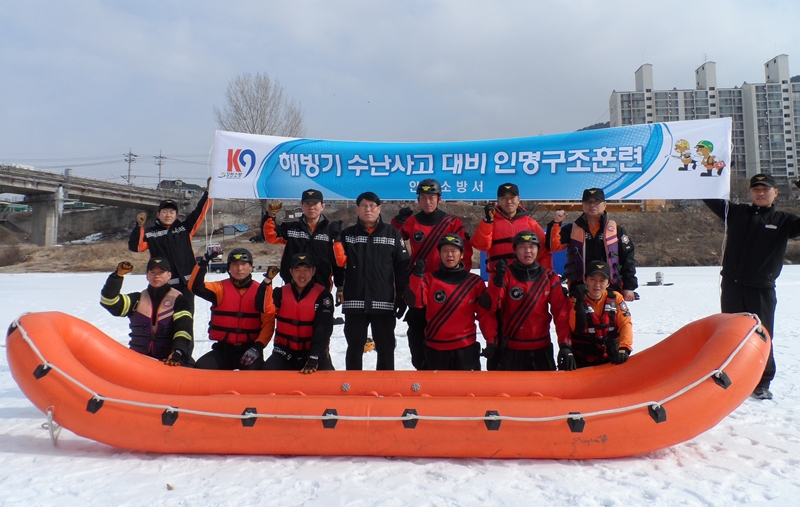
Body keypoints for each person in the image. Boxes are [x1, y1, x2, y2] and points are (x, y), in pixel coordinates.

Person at [704, 173, 800, 400]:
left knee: (761, 335)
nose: (761, 193)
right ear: (750, 193)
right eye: (756, 189)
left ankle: (762, 382)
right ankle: (730, 377)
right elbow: (708, 196)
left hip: (761, 289)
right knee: (730, 334)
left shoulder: (784, 220)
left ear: (775, 193)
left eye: (766, 189)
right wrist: (716, 171)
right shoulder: (736, 213)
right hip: (732, 286)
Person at [391, 178, 474, 369]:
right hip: (419, 286)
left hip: (446, 287)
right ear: (418, 200)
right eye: (423, 197)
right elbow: (393, 240)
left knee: (443, 329)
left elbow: (466, 253)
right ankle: (422, 369)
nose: (427, 201)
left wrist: (460, 281)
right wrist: (398, 221)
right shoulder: (412, 221)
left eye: (431, 197)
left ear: (439, 199)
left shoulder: (452, 222)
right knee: (417, 331)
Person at [339, 191, 410, 370]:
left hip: (383, 302)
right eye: (364, 206)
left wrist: (402, 295)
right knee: (354, 347)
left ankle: (384, 385)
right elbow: (338, 265)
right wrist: (340, 288)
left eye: (372, 206)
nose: (368, 210)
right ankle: (352, 384)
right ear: (357, 209)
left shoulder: (392, 233)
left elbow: (402, 267)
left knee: (386, 348)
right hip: (355, 302)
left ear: (379, 209)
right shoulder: (347, 235)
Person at [406, 233, 497, 370]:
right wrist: (417, 277)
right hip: (436, 349)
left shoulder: (474, 282)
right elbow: (416, 302)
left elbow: (485, 315)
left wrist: (491, 340)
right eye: (445, 251)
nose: (449, 255)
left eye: (454, 251)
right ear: (439, 254)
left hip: (465, 348)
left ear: (462, 255)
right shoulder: (428, 280)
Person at [484, 231, 571, 371]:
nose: (528, 251)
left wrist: (565, 345)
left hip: (541, 349)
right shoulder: (506, 275)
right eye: (522, 247)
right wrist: (497, 282)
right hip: (512, 349)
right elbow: (492, 306)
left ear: (538, 249)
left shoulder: (549, 277)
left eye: (532, 246)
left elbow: (561, 313)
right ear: (515, 250)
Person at [128, 185, 212, 313]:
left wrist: (209, 192)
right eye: (165, 212)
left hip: (187, 284)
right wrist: (139, 227)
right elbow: (136, 247)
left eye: (172, 212)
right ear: (158, 214)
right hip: (164, 284)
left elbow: (199, 212)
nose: (168, 215)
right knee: (164, 318)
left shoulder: (184, 228)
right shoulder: (150, 233)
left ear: (176, 215)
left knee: (186, 316)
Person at [189, 248, 275, 370]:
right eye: (235, 264)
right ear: (229, 267)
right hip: (223, 350)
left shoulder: (261, 291)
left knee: (255, 373)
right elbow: (195, 286)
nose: (239, 268)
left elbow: (268, 324)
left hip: (250, 349)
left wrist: (258, 347)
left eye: (243, 264)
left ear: (250, 267)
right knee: (201, 367)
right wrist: (204, 260)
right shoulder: (219, 288)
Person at [547, 187, 638, 302]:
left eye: (596, 201)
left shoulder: (616, 230)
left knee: (611, 314)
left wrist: (629, 286)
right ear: (582, 205)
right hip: (579, 288)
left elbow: (628, 259)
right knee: (578, 314)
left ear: (604, 204)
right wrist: (556, 223)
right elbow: (553, 246)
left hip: (610, 288)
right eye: (588, 201)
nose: (592, 205)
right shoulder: (572, 229)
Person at [100, 257, 193, 366]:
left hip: (168, 359)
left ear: (169, 275)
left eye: (161, 272)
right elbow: (108, 301)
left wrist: (177, 352)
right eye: (152, 272)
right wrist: (117, 276)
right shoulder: (137, 299)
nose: (156, 276)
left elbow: (184, 329)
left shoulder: (179, 300)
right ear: (147, 276)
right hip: (137, 359)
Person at [259, 253, 336, 373]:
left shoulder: (323, 296)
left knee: (329, 377)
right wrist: (267, 282)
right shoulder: (280, 293)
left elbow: (323, 329)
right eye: (297, 270)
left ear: (313, 271)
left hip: (313, 352)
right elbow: (263, 307)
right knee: (266, 373)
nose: (302, 275)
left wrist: (314, 356)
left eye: (306, 270)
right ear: (291, 272)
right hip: (284, 352)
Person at [261, 188, 345, 293]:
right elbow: (270, 236)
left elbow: (338, 261)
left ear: (322, 206)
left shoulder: (331, 231)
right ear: (302, 206)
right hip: (292, 285)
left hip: (321, 287)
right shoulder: (291, 228)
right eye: (307, 204)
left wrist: (340, 287)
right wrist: (270, 216)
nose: (311, 207)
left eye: (315, 204)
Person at [558, 260, 633, 371]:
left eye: (602, 280)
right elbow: (575, 327)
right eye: (593, 279)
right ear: (585, 280)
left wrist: (624, 348)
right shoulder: (574, 300)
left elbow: (625, 324)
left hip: (610, 357)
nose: (597, 285)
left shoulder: (616, 298)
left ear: (608, 283)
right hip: (582, 359)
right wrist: (579, 303)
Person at [471, 182, 552, 271]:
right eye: (504, 198)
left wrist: (545, 274)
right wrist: (487, 221)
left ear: (518, 199)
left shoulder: (531, 223)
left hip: (526, 275)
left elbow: (544, 252)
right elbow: (481, 246)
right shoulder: (490, 222)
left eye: (512, 197)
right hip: (498, 275)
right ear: (498, 200)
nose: (509, 201)